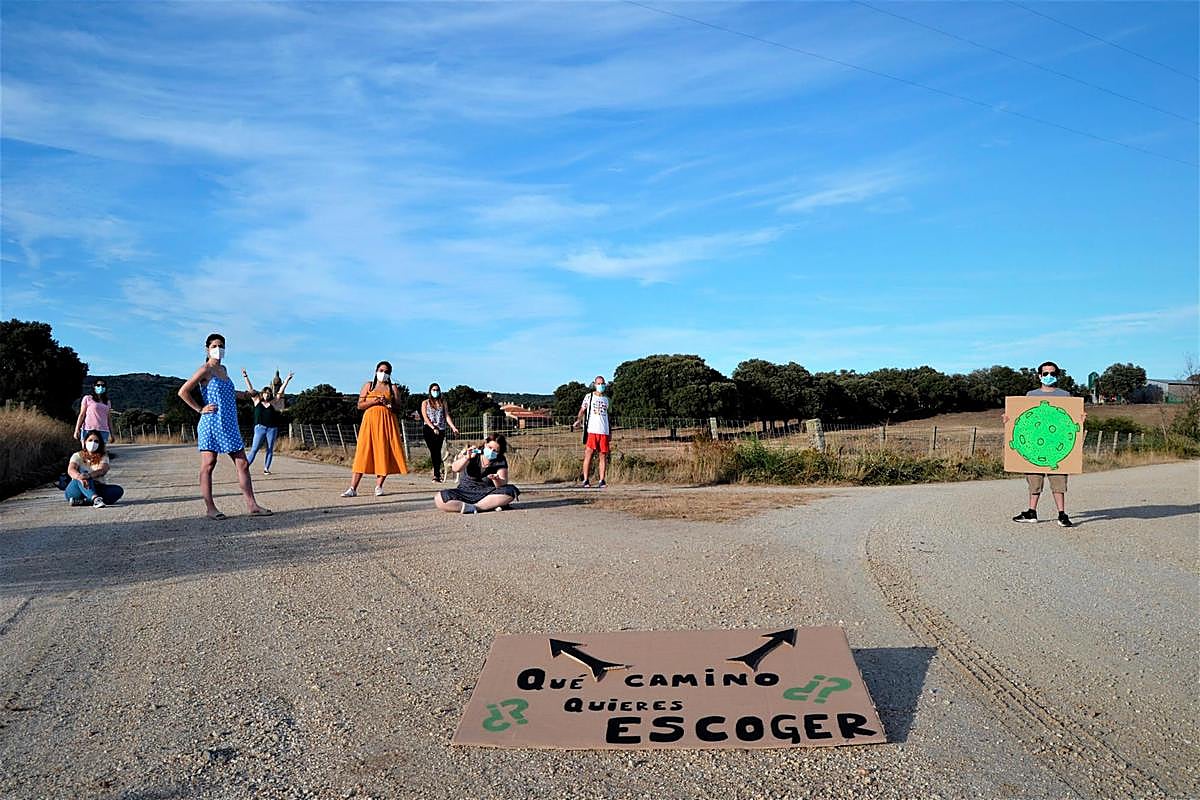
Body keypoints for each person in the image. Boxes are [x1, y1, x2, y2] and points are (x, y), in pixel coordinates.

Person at [177, 333, 272, 520]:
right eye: (214, 345)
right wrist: (199, 409)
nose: (218, 349)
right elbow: (183, 391)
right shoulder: (205, 370)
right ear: (207, 349)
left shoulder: (224, 369)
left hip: (229, 423)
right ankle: (210, 508)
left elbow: (226, 392)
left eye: (221, 345)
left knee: (243, 463)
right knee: (209, 464)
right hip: (211, 422)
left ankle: (252, 505)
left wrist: (245, 395)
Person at [1007, 360, 1085, 528]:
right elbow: (1022, 420)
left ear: (1057, 375)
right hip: (1034, 447)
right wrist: (1008, 420)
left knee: (1058, 481)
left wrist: (1080, 419)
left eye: (1052, 373)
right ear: (1039, 376)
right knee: (1034, 481)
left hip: (1055, 446)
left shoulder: (1065, 396)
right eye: (1045, 373)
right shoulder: (1031, 395)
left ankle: (1062, 514)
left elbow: (1070, 419)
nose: (1049, 376)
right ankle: (1031, 512)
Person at [342, 361, 409, 497]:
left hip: (387, 423)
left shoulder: (393, 387)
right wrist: (374, 401)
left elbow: (398, 407)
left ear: (390, 374)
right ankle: (353, 488)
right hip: (370, 423)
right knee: (363, 452)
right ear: (376, 371)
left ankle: (379, 486)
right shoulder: (369, 385)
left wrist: (388, 403)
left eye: (386, 371)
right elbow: (360, 405)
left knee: (383, 452)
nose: (383, 373)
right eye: (381, 370)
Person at [434, 434, 519, 513]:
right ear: (485, 444)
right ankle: (488, 506)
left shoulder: (500, 460)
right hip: (465, 491)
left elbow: (502, 483)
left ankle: (476, 507)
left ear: (499, 452)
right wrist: (467, 458)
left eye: (495, 451)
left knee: (511, 491)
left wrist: (496, 479)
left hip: (487, 493)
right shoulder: (474, 452)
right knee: (440, 498)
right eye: (489, 447)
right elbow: (455, 468)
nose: (491, 451)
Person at [243, 369, 293, 475]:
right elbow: (250, 389)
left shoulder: (273, 403)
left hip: (272, 428)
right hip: (260, 428)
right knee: (254, 449)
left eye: (269, 393)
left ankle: (266, 469)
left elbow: (280, 392)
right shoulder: (257, 400)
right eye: (265, 393)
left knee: (270, 449)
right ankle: (245, 467)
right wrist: (246, 376)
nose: (267, 395)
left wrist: (287, 380)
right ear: (262, 393)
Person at [570, 375, 611, 488]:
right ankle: (586, 480)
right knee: (589, 454)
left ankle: (602, 480)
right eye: (598, 383)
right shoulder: (589, 397)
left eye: (602, 383)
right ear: (594, 384)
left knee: (603, 455)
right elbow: (582, 410)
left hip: (604, 431)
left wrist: (610, 432)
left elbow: (608, 416)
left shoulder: (607, 400)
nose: (601, 386)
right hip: (592, 430)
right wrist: (578, 420)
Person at [64, 431, 124, 508]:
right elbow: (71, 469)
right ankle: (95, 499)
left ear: (99, 444)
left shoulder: (103, 456)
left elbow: (103, 470)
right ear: (85, 442)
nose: (93, 443)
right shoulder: (77, 455)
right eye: (90, 440)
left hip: (97, 487)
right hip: (77, 488)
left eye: (96, 441)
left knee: (118, 490)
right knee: (84, 475)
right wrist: (80, 476)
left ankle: (85, 501)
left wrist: (89, 475)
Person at [420, 382, 460, 483]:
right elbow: (425, 416)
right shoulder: (425, 403)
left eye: (437, 390)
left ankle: (436, 474)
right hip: (429, 428)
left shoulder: (443, 402)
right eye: (433, 390)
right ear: (430, 391)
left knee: (437, 451)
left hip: (441, 429)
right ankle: (437, 472)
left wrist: (453, 427)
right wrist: (433, 427)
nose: (436, 392)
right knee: (434, 451)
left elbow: (446, 416)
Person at [73, 379, 112, 447]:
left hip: (103, 430)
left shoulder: (107, 402)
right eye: (98, 385)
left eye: (103, 385)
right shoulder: (87, 398)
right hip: (88, 429)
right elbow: (82, 415)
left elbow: (109, 418)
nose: (100, 387)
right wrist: (77, 429)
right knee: (87, 452)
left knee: (100, 454)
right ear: (94, 387)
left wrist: (112, 434)